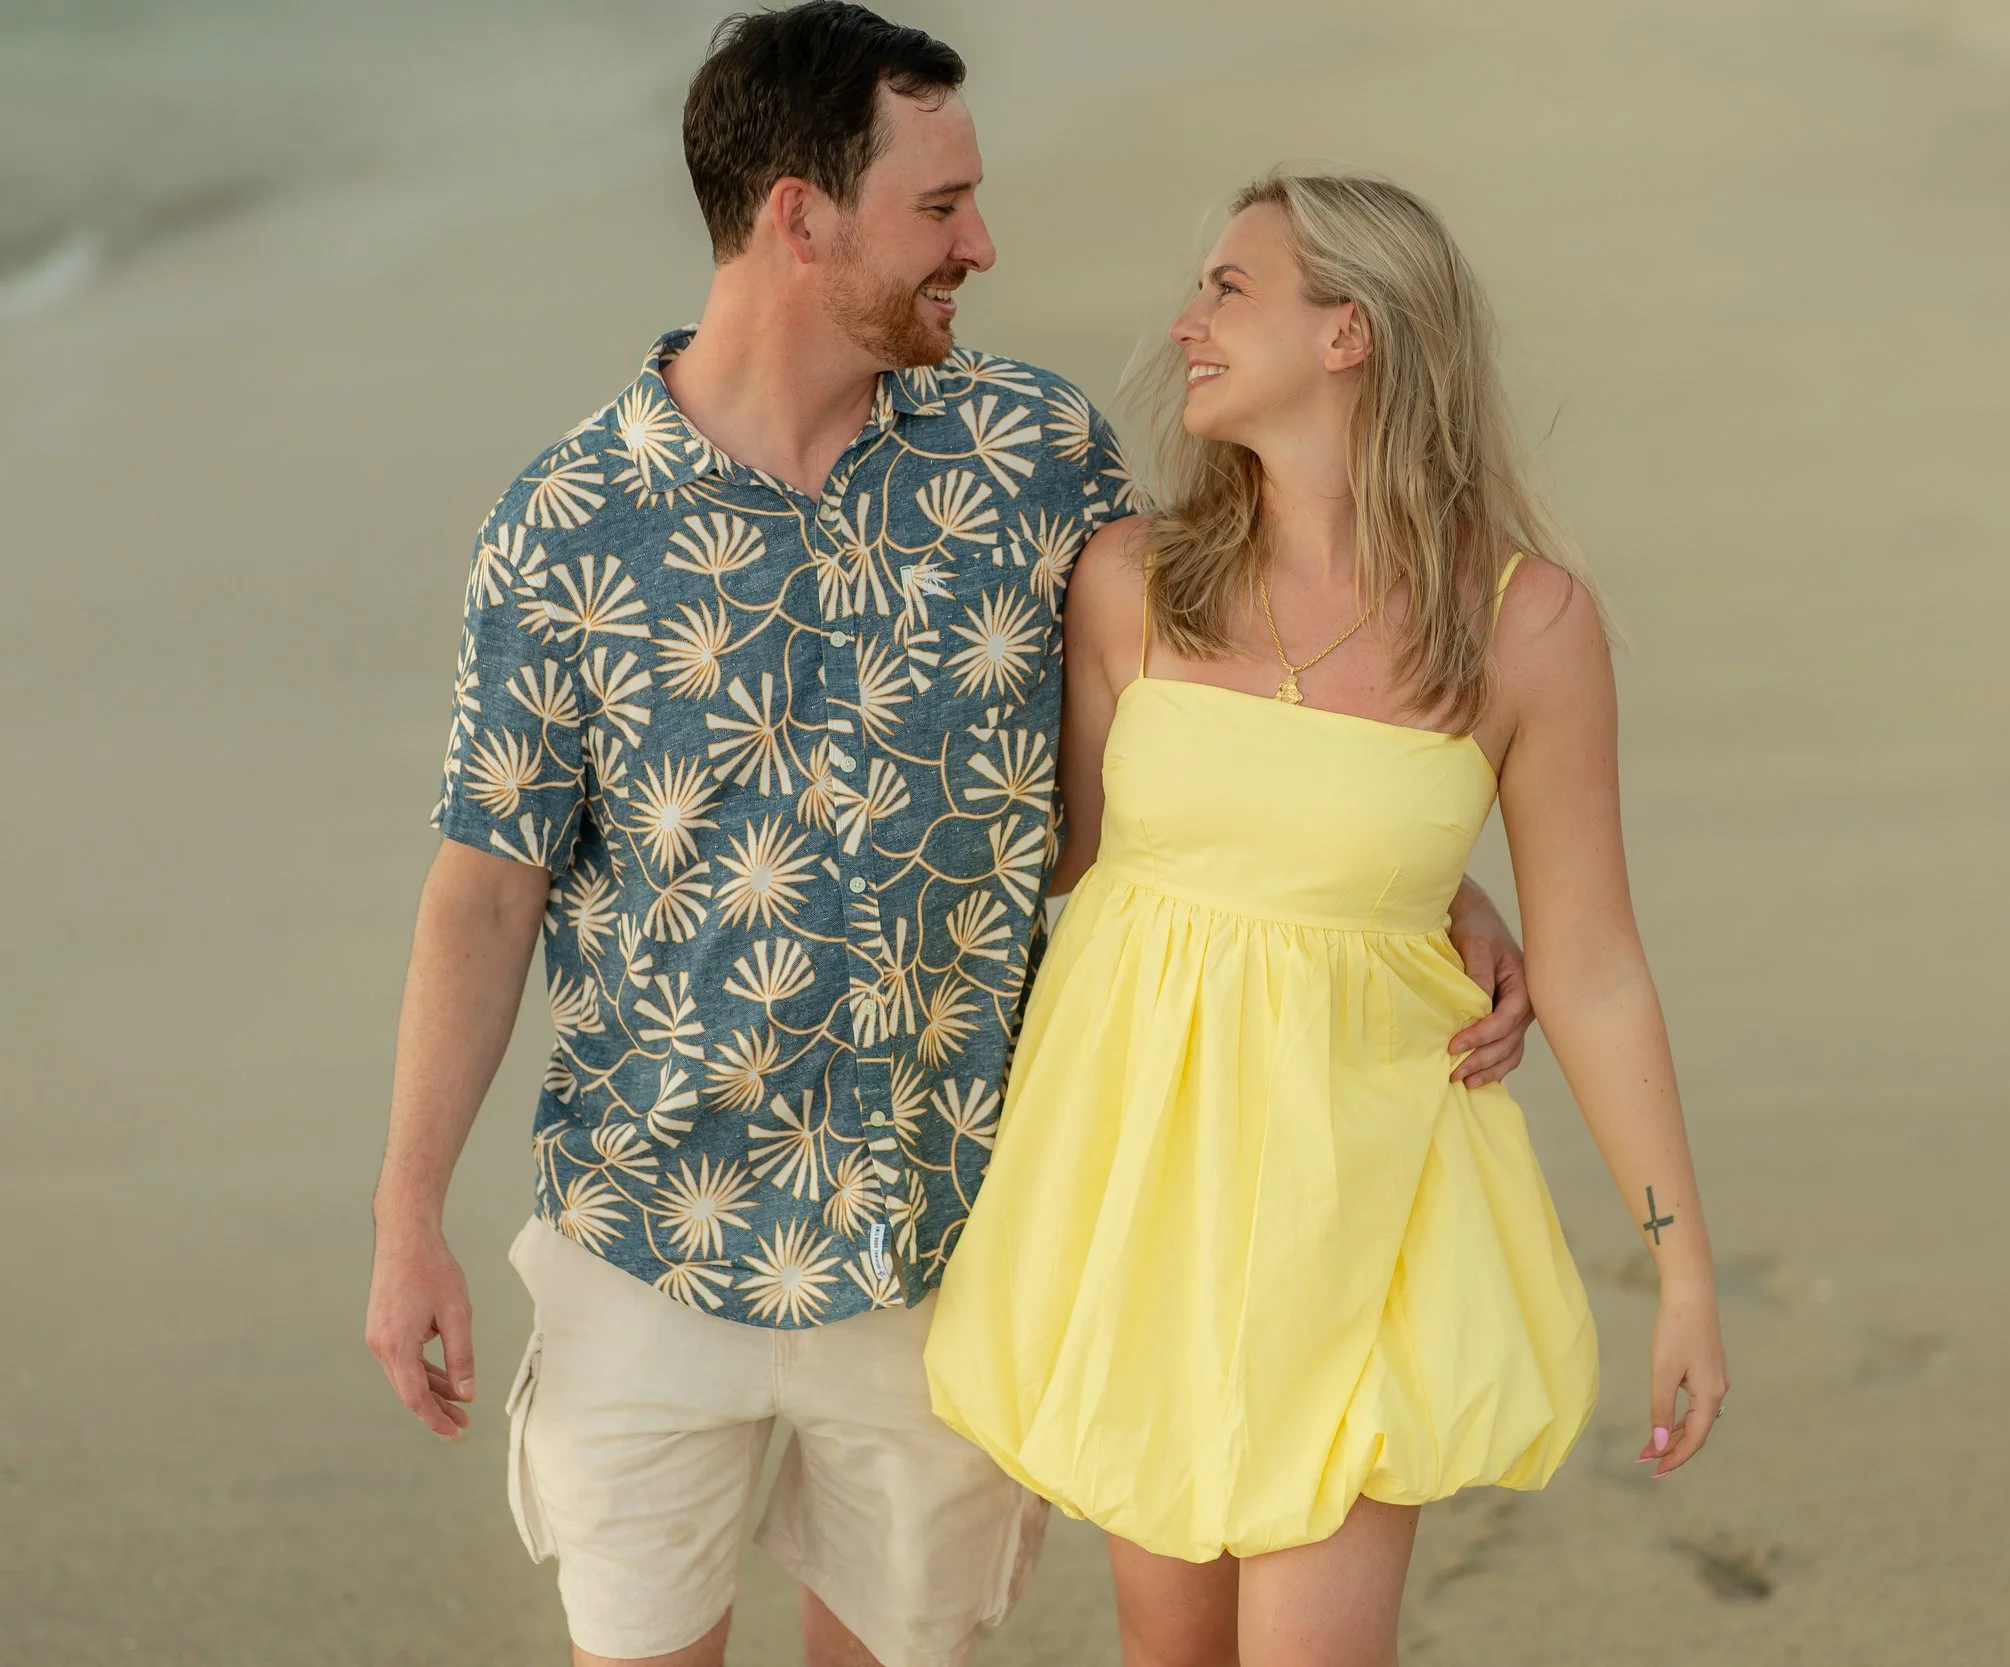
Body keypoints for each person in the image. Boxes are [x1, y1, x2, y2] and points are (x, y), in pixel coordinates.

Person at [361, 9, 1537, 1667]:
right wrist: (409, 1216)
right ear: (798, 215)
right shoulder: (570, 524)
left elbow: (1209, 720)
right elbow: (485, 890)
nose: (983, 242)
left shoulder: (1037, 459)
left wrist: (1429, 878)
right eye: (941, 207)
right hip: (643, 1240)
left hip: (950, 1234)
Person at [923, 172, 1730, 1666]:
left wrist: (1679, 1264)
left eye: (1229, 288)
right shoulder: (1127, 582)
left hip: (1369, 1200)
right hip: (1145, 1195)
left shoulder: (1525, 625)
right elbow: (1068, 867)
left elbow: (1599, 972)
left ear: (1349, 331)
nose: (1184, 323)